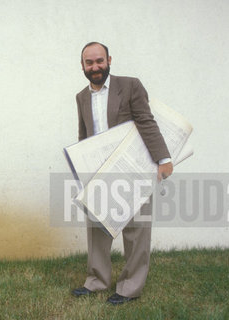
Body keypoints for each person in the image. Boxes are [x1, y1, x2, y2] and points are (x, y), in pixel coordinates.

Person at [71, 42, 173, 305]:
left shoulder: (130, 86)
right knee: (97, 230)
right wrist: (83, 173)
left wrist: (163, 158)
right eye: (89, 63)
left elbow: (146, 121)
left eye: (99, 61)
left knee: (136, 230)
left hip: (133, 170)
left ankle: (129, 288)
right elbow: (84, 137)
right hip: (99, 173)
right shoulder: (81, 97)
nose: (95, 67)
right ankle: (96, 281)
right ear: (82, 65)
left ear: (109, 60)